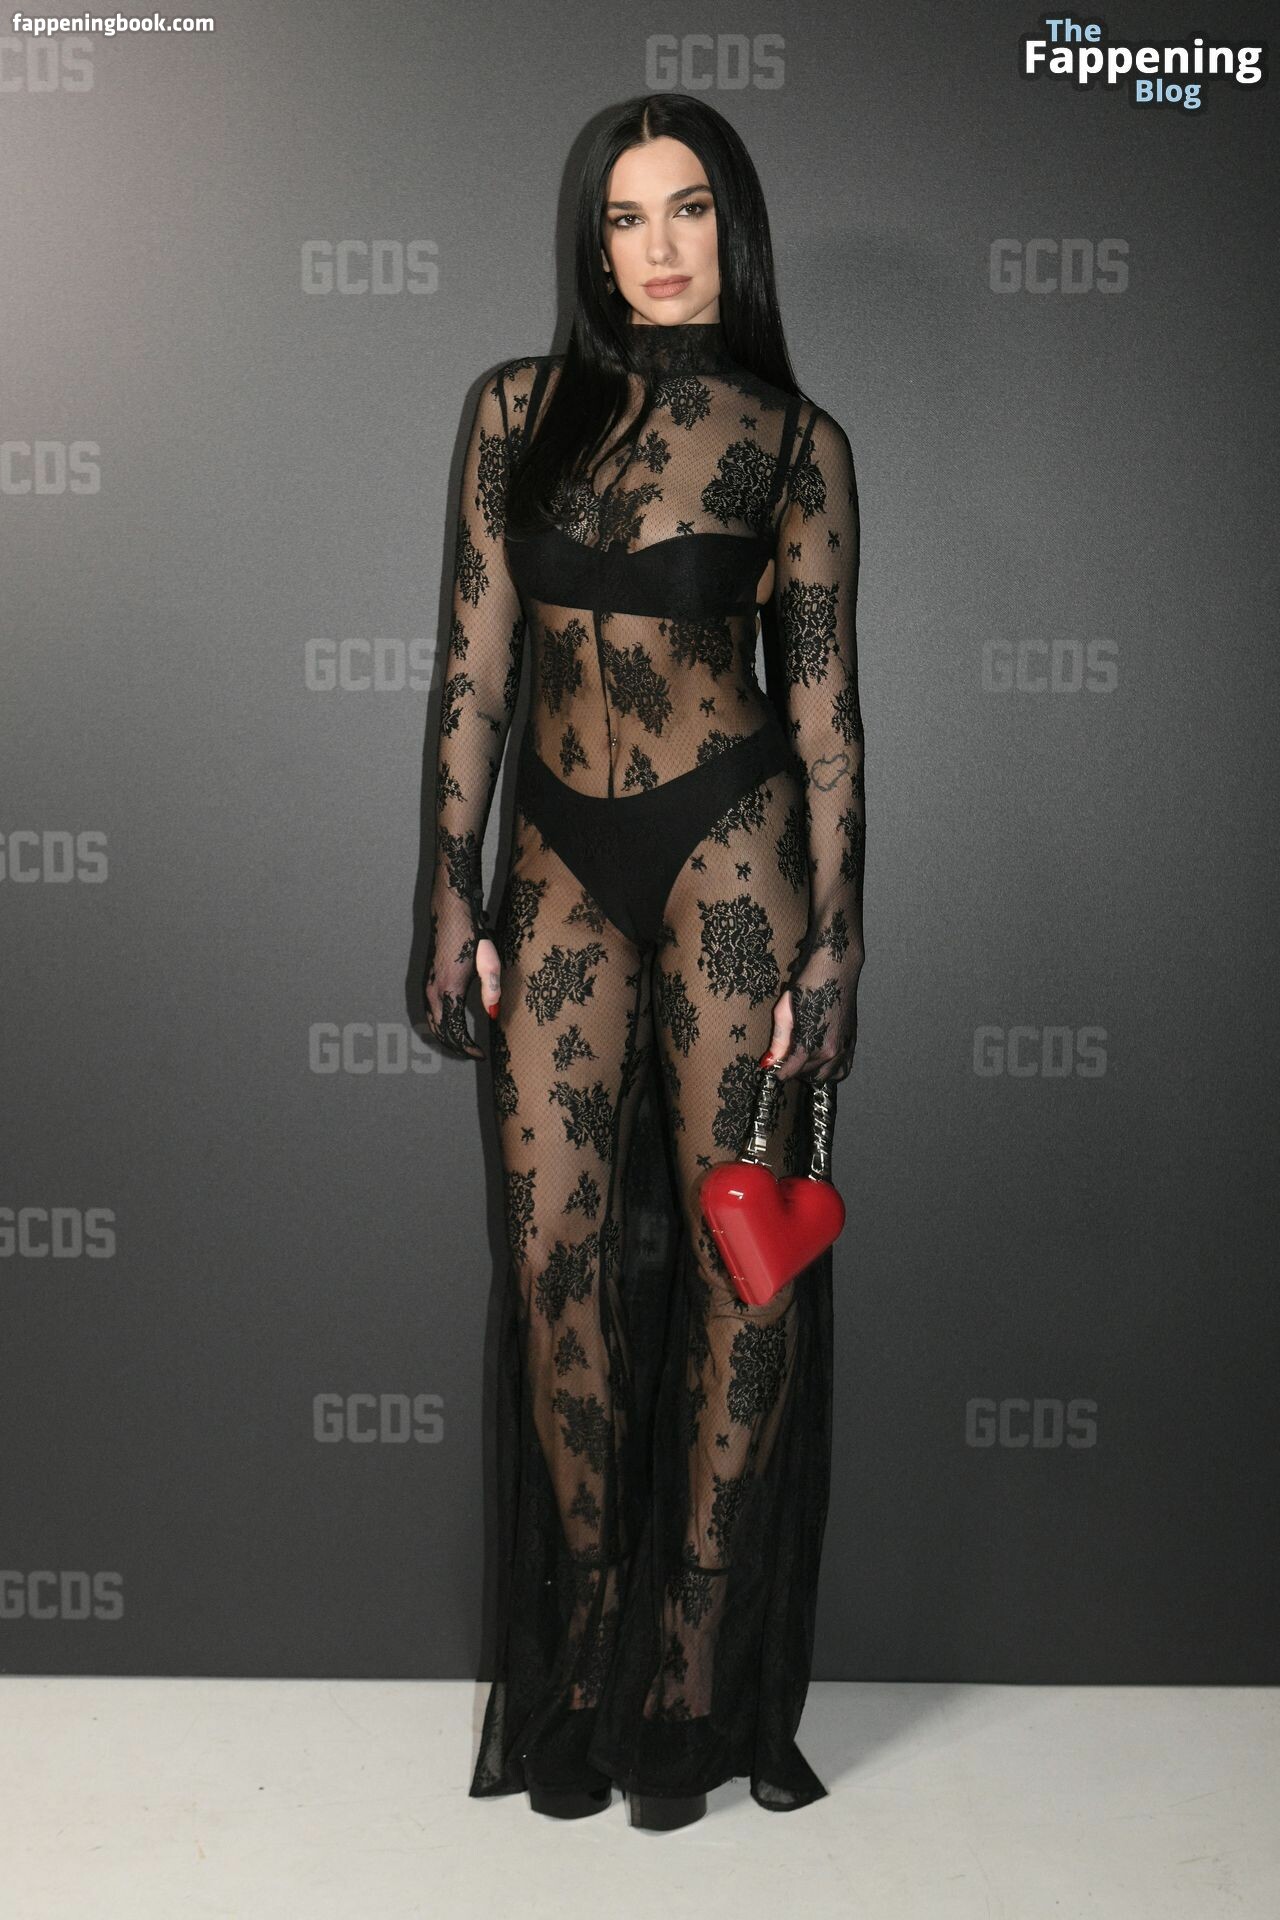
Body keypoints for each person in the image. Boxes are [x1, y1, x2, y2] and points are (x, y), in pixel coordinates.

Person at [421, 92, 865, 1831]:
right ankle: (593, 1642)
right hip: (553, 854)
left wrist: (838, 939)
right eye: (625, 216)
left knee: (748, 1265)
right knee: (552, 1254)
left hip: (732, 847)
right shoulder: (509, 413)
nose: (659, 247)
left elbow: (825, 715)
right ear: (590, 241)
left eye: (688, 210)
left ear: (731, 229)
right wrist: (441, 892)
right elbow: (473, 670)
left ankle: (689, 1665)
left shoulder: (794, 442)